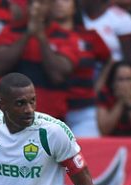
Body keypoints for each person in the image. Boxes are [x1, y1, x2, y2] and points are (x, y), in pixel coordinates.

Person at [0, 0, 81, 121]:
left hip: (51, 118)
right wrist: (28, 34)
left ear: (51, 5)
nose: (36, 7)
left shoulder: (67, 36)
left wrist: (40, 36)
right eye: (31, 3)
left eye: (42, 2)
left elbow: (58, 76)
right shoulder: (10, 31)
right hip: (13, 117)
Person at [52, 0, 112, 137]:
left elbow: (108, 60)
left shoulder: (89, 36)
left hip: (84, 110)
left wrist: (98, 87)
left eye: (65, 0)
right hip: (52, 111)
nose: (59, 4)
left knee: (87, 155)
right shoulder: (43, 36)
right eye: (54, 1)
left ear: (75, 6)